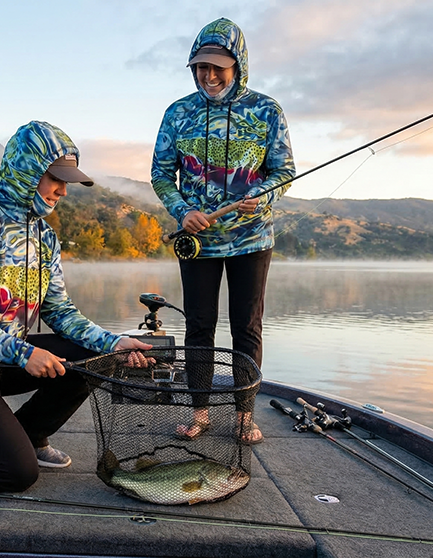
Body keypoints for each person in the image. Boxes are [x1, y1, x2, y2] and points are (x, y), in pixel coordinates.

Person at [0, 120, 153, 493]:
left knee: (96, 358)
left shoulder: (45, 237)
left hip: (2, 359)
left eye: (67, 182)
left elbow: (59, 311)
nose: (63, 191)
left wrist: (113, 343)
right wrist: (25, 354)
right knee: (16, 476)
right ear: (27, 170)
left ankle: (29, 434)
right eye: (56, 179)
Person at [150, 18, 296, 444]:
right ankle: (200, 413)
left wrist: (263, 195)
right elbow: (161, 175)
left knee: (246, 326)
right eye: (201, 67)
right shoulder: (178, 113)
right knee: (199, 326)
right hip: (198, 241)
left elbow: (284, 170)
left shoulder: (267, 110)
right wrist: (182, 211)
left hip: (253, 238)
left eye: (219, 67)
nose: (209, 75)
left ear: (238, 65)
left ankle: (244, 416)